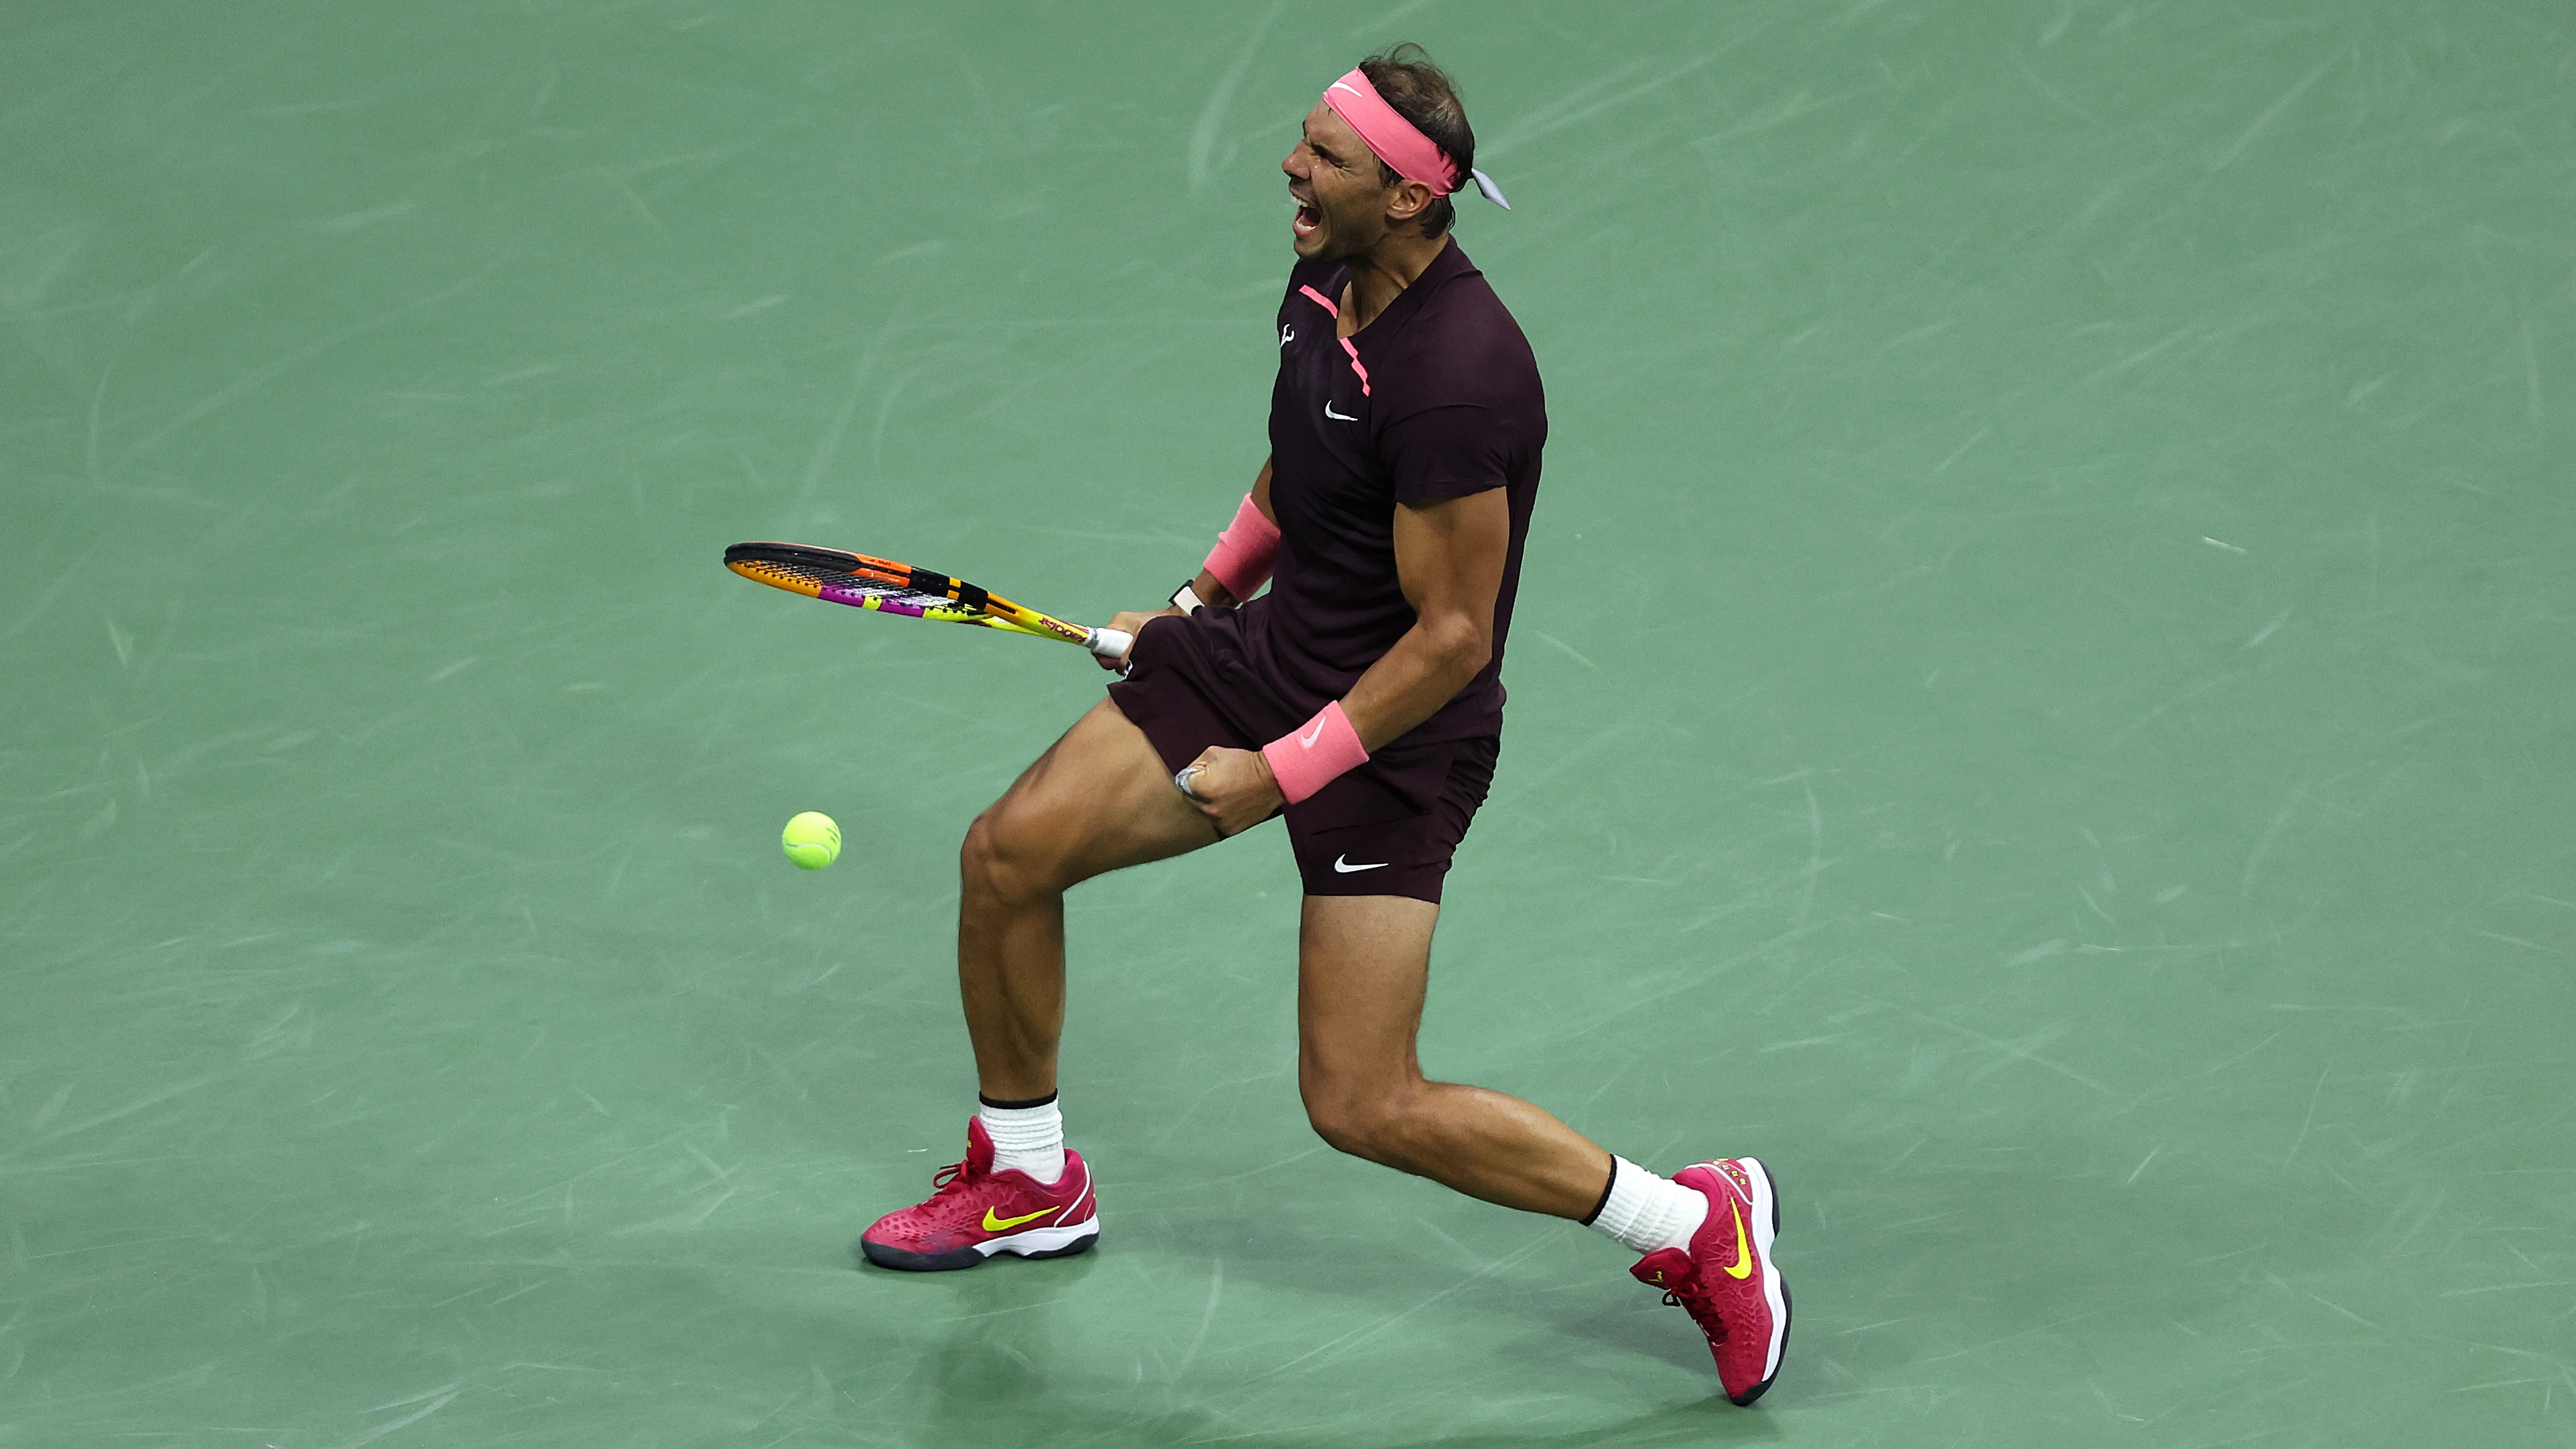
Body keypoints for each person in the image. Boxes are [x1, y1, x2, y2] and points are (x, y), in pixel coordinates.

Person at [856, 45, 1790, 1406]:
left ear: (1412, 198)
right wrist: (1197, 594)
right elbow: (1299, 464)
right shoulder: (1322, 278)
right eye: (1304, 142)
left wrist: (1282, 774)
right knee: (1006, 857)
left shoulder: (1466, 373)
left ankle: (1692, 1225)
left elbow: (1454, 638)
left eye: (1326, 157)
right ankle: (1029, 1174)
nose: (1292, 167)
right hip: (1265, 658)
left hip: (1401, 736)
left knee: (1361, 1103)